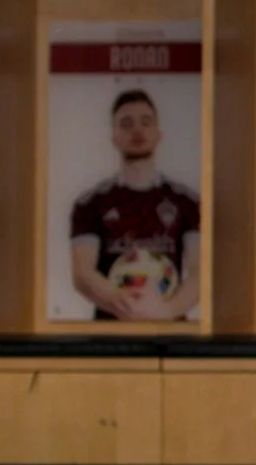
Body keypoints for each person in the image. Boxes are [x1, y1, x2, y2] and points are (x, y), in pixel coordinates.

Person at [69, 89, 201, 322]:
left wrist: (164, 312)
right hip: (112, 334)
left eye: (146, 122)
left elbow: (200, 273)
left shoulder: (187, 202)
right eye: (126, 124)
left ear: (158, 134)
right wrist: (128, 307)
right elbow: (82, 274)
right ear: (114, 137)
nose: (137, 130)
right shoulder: (90, 203)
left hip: (169, 331)